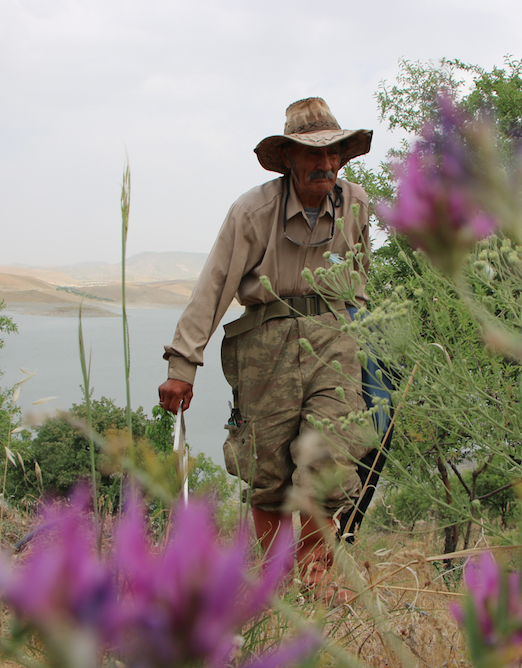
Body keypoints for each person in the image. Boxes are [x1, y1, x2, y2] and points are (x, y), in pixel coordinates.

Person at [158, 97, 376, 598]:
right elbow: (213, 287)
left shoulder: (358, 203)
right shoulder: (252, 211)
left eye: (333, 153)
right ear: (289, 159)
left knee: (330, 462)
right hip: (264, 347)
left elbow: (360, 281)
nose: (325, 164)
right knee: (269, 475)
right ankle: (278, 592)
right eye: (312, 154)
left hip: (334, 342)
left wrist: (360, 341)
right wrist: (182, 366)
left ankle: (316, 585)